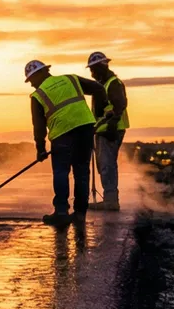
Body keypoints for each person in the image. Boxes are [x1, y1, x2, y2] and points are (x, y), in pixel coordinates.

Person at [26, 59, 104, 227]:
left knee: (61, 172)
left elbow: (38, 126)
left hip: (62, 134)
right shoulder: (71, 79)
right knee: (81, 172)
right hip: (85, 129)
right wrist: (101, 112)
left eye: (31, 79)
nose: (31, 84)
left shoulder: (38, 95)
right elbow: (98, 88)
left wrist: (40, 149)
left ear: (40, 74)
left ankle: (61, 212)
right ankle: (80, 214)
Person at [85, 51, 130, 212]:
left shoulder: (112, 83)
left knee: (107, 165)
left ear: (101, 67)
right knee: (105, 164)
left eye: (93, 69)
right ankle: (110, 198)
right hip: (104, 129)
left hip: (110, 130)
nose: (92, 73)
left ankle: (111, 201)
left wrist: (112, 123)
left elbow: (120, 104)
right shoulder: (103, 85)